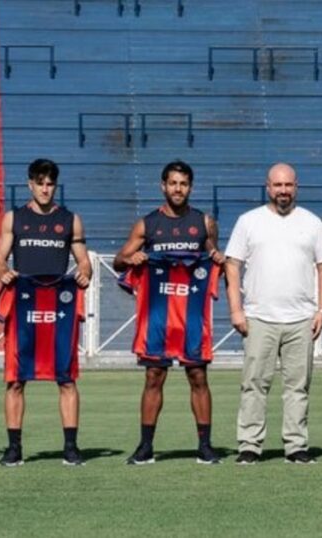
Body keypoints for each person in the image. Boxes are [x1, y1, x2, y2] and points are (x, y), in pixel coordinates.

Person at [114, 160, 224, 465]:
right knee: (153, 376)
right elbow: (118, 262)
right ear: (163, 186)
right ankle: (146, 446)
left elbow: (216, 260)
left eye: (184, 184)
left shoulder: (204, 223)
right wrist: (130, 258)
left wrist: (218, 257)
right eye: (173, 183)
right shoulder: (147, 224)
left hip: (191, 316)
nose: (178, 189)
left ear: (191, 187)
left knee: (198, 376)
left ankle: (205, 445)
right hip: (158, 315)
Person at [225, 163, 322, 465]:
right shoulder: (249, 222)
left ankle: (296, 446)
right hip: (259, 317)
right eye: (277, 185)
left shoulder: (312, 223)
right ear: (267, 186)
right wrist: (236, 309)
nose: (283, 191)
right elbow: (232, 265)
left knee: (297, 386)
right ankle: (249, 445)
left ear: (296, 187)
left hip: (301, 319)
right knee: (254, 384)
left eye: (288, 185)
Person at [0, 159, 92, 466]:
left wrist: (85, 272)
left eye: (50, 184)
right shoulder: (14, 219)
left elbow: (83, 260)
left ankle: (71, 447)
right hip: (23, 305)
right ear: (30, 185)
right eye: (40, 183)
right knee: (15, 379)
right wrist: (3, 272)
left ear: (55, 185)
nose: (45, 189)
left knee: (66, 379)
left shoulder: (70, 220)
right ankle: (14, 448)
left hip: (58, 307)